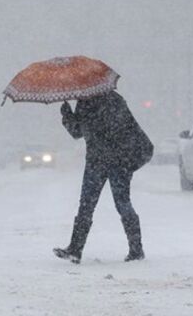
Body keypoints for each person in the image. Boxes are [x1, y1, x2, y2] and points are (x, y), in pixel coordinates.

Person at [54, 91, 153, 264]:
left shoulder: (85, 102)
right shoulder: (114, 99)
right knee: (122, 202)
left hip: (98, 161)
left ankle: (76, 249)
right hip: (120, 159)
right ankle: (136, 249)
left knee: (87, 204)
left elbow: (77, 132)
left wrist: (67, 116)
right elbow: (127, 127)